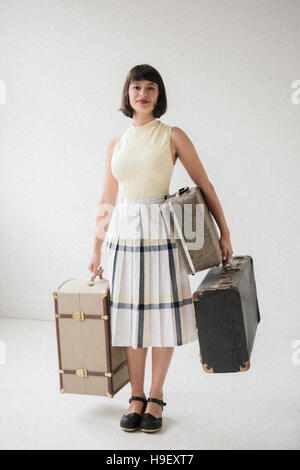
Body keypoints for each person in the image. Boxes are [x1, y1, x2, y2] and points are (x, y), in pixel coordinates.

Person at [88, 64, 233, 433]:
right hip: (124, 235)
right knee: (131, 320)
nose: (143, 93)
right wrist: (96, 250)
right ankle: (135, 396)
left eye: (150, 88)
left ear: (158, 95)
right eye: (136, 87)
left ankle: (155, 395)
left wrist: (224, 232)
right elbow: (106, 200)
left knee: (161, 319)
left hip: (163, 233)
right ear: (127, 94)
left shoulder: (172, 136)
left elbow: (205, 185)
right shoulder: (115, 144)